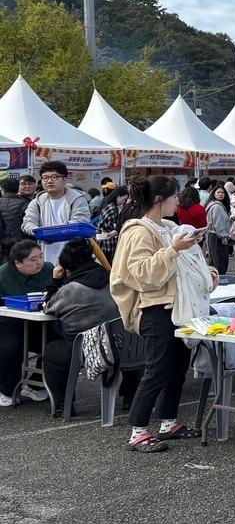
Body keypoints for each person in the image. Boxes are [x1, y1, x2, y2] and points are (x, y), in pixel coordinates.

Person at [109, 175, 216, 453]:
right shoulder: (138, 231)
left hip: (177, 307)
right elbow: (143, 275)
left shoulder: (168, 226)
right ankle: (138, 431)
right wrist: (173, 250)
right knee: (156, 370)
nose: (178, 201)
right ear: (159, 200)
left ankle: (169, 422)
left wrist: (205, 271)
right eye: (174, 196)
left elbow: (186, 264)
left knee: (178, 368)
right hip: (154, 309)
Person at [40, 237, 120, 416]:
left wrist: (55, 281)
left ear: (67, 270)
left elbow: (47, 307)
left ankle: (62, 405)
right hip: (121, 345)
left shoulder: (72, 289)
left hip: (87, 349)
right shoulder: (112, 278)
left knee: (52, 352)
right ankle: (129, 397)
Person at [0, 239, 55, 406]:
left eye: (40, 256)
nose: (39, 262)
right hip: (8, 323)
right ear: (18, 263)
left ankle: (34, 384)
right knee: (11, 347)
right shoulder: (3, 275)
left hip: (39, 323)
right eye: (33, 259)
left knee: (57, 344)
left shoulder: (49, 269)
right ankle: (6, 389)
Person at [21, 161, 93, 265]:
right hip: (45, 255)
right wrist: (37, 231)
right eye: (45, 177)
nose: (49, 181)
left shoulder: (77, 199)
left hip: (73, 255)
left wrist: (51, 234)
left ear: (64, 179)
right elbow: (27, 223)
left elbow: (79, 222)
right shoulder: (37, 201)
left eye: (54, 177)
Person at [204, 184, 233, 275]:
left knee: (214, 261)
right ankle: (220, 282)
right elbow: (218, 224)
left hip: (212, 236)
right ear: (214, 194)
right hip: (218, 237)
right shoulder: (217, 207)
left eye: (223, 192)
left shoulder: (212, 205)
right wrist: (224, 236)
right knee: (220, 262)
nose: (221, 194)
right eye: (218, 192)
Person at [0, 177, 28, 254]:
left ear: (2, 189)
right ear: (17, 188)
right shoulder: (24, 203)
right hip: (20, 244)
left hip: (2, 246)